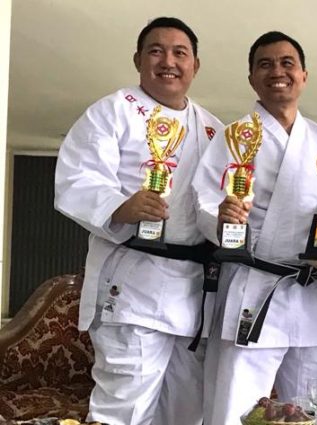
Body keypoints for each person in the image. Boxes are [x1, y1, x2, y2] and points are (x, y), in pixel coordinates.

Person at [54, 17, 223, 425]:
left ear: (196, 65)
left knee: (187, 411)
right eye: (156, 51)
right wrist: (120, 206)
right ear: (138, 60)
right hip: (133, 286)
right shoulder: (113, 111)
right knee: (125, 409)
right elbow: (77, 178)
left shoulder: (213, 129)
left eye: (180, 53)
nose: (168, 61)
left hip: (193, 292)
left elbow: (218, 198)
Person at [192, 32, 317, 425]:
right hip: (254, 288)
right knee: (238, 410)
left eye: (287, 63)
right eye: (265, 64)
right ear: (251, 78)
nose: (277, 71)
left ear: (304, 75)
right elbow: (204, 201)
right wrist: (222, 217)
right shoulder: (234, 137)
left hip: (310, 291)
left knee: (314, 411)